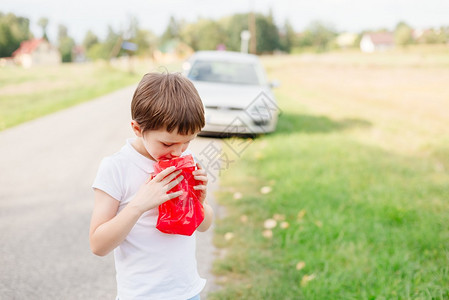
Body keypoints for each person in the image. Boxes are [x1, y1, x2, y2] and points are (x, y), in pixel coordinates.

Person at [89, 72, 214, 300]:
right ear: (137, 129)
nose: (178, 152)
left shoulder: (189, 162)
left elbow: (204, 225)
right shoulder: (117, 168)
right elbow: (98, 245)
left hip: (188, 292)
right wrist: (139, 205)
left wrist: (200, 201)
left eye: (188, 142)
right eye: (168, 143)